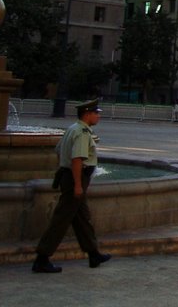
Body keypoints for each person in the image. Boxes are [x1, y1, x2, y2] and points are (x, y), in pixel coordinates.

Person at [32, 99, 112, 273]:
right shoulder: (82, 133)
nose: (98, 116)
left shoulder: (72, 129)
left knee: (82, 218)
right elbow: (77, 159)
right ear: (87, 114)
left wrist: (66, 171)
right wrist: (77, 185)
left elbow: (59, 151)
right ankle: (42, 258)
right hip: (76, 179)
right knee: (61, 219)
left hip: (70, 177)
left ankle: (93, 253)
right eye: (96, 113)